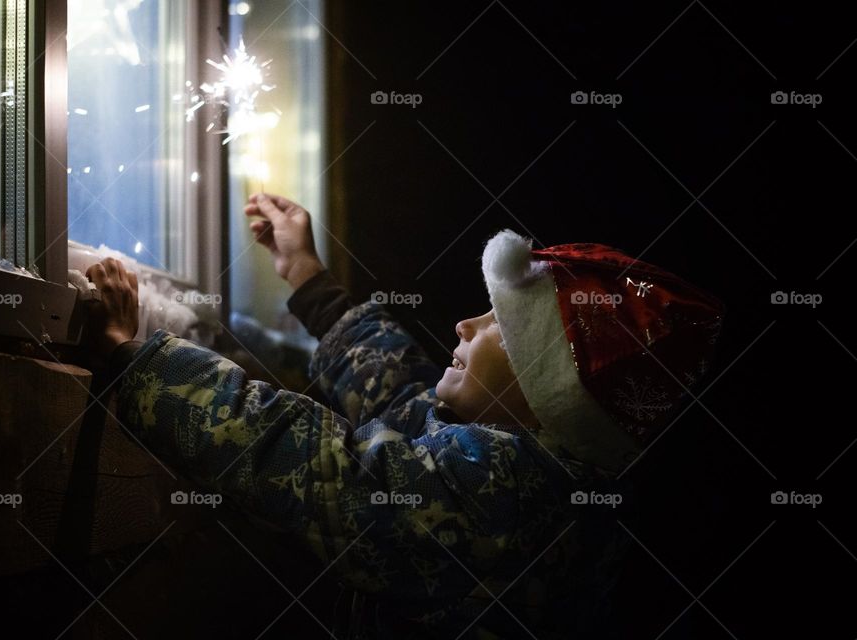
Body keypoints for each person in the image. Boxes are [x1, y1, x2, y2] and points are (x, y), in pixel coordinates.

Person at [84, 193, 725, 639]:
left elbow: (326, 472)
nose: (465, 322)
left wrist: (140, 360)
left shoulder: (507, 497)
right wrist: (306, 276)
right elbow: (403, 398)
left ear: (548, 392)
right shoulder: (525, 460)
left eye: (499, 322)